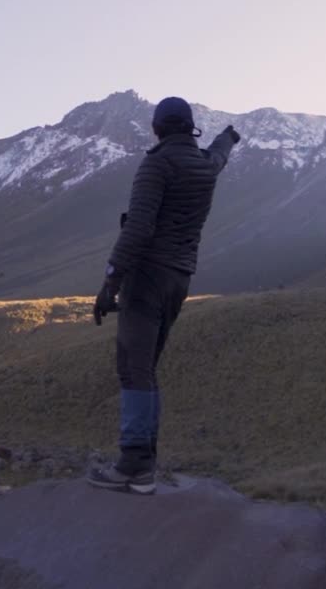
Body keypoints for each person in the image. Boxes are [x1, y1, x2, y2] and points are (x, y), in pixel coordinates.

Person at [88, 96, 240, 494]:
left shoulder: (156, 164)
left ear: (157, 129)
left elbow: (137, 229)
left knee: (132, 368)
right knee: (147, 368)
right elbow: (219, 157)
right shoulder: (203, 165)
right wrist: (229, 137)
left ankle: (133, 464)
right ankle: (144, 464)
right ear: (190, 127)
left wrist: (110, 284)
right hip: (180, 278)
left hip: (147, 276)